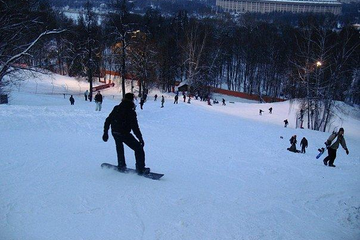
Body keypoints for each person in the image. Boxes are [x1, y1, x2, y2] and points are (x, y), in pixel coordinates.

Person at [102, 93, 149, 174]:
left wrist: (105, 132)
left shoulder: (116, 108)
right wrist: (140, 138)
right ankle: (140, 169)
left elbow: (108, 120)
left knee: (119, 147)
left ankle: (121, 165)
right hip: (123, 133)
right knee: (138, 148)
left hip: (115, 132)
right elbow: (135, 127)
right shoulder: (130, 111)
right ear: (132, 100)